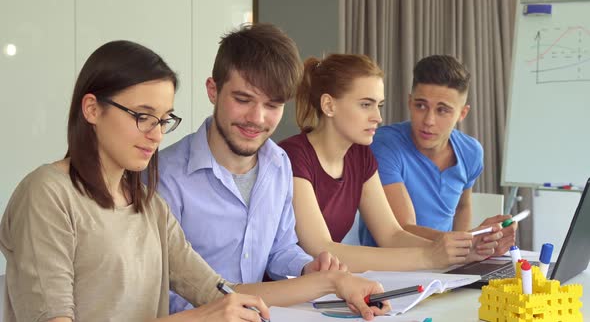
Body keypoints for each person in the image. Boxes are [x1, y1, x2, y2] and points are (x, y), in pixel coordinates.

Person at [0, 40, 389, 322]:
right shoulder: (48, 194)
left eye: (164, 119)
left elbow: (216, 290)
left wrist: (338, 282)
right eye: (141, 115)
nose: (155, 133)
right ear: (92, 109)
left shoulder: (145, 202)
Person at [156, 23, 352, 314]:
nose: (257, 118)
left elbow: (279, 249)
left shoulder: (279, 163)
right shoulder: (165, 175)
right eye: (243, 99)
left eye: (272, 105)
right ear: (213, 90)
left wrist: (306, 267)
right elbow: (164, 287)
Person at [278, 53, 503, 273]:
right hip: (282, 290)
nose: (378, 117)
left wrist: (462, 252)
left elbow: (392, 235)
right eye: (366, 104)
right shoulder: (293, 156)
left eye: (379, 105)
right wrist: (430, 256)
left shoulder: (360, 156)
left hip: (323, 286)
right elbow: (321, 249)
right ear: (328, 105)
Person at [357, 54, 515, 255]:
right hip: (390, 269)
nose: (429, 120)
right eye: (421, 105)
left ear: (462, 114)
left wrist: (466, 251)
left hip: (443, 266)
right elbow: (402, 230)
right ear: (409, 102)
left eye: (442, 110)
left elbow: (462, 207)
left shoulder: (471, 152)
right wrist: (466, 242)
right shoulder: (383, 145)